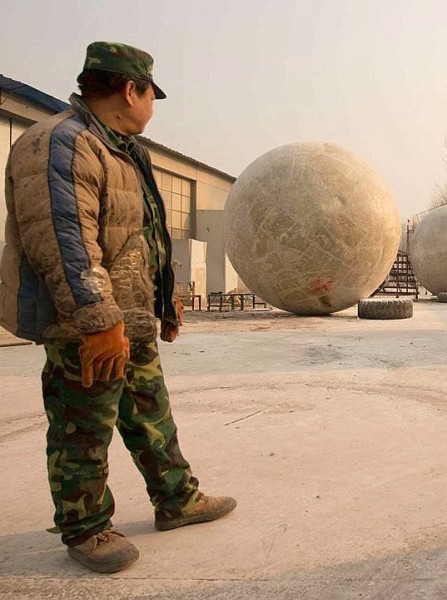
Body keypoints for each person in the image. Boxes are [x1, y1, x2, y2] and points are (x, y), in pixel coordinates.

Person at [0, 41, 236, 573]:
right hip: (85, 324)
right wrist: (98, 320)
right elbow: (64, 241)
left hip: (128, 317)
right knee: (82, 427)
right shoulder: (63, 143)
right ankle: (85, 529)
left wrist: (163, 301)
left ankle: (176, 500)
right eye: (152, 92)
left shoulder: (124, 149)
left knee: (152, 415)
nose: (153, 104)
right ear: (131, 90)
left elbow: (143, 232)